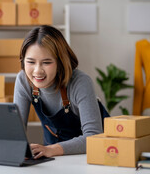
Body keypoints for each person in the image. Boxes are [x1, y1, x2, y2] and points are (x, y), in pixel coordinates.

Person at [14, 25, 104, 159]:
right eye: (31, 62)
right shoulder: (23, 80)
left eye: (46, 62)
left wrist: (51, 149)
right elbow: (15, 132)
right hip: (52, 158)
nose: (37, 70)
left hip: (90, 157)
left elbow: (93, 137)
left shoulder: (80, 82)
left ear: (60, 62)